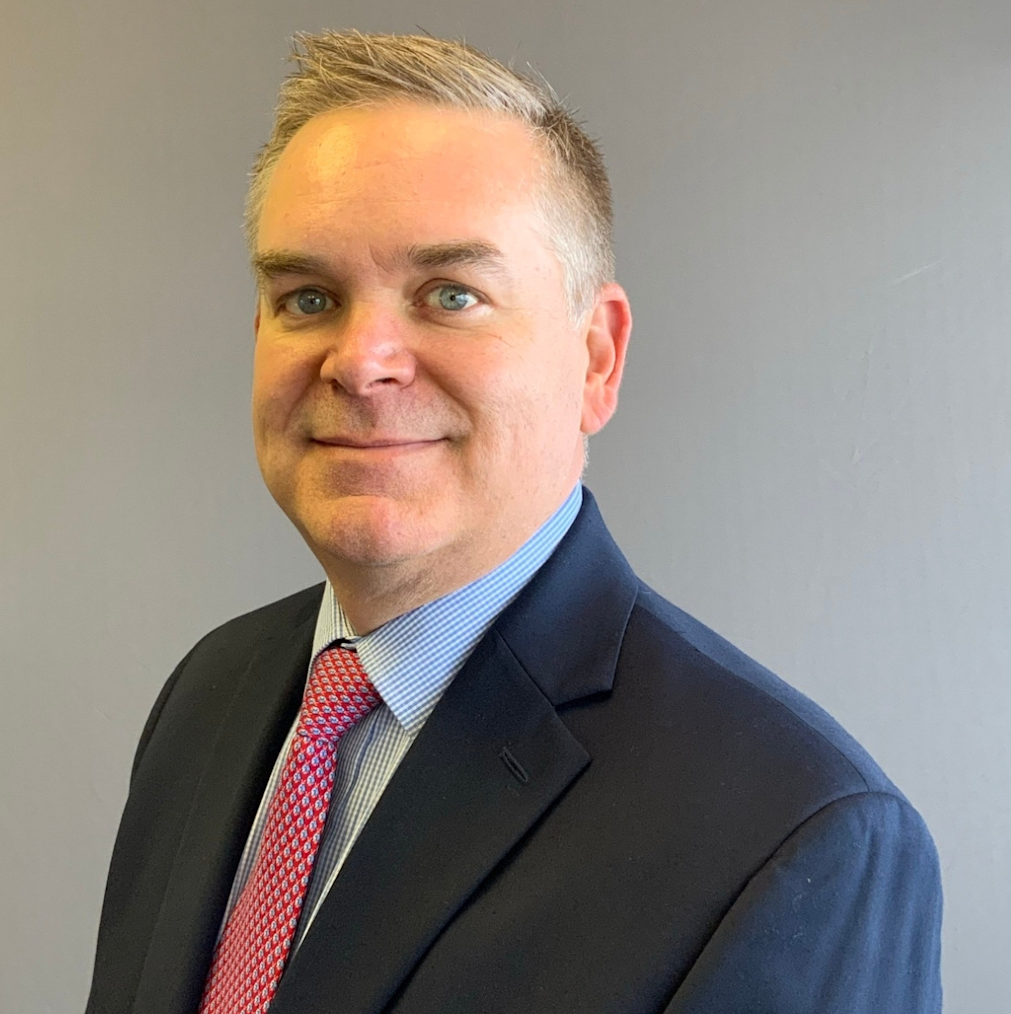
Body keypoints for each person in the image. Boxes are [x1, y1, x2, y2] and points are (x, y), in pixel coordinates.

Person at [85, 30, 943, 1014]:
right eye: (307, 297)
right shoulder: (210, 694)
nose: (361, 361)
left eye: (451, 295)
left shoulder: (796, 835)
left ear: (596, 359)